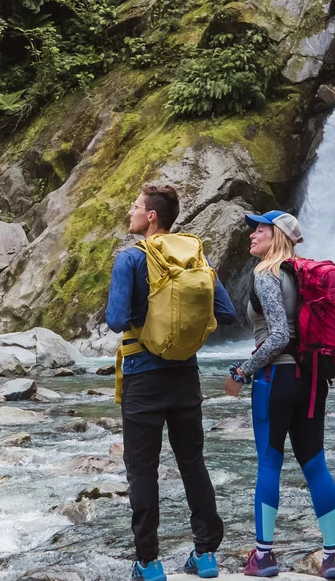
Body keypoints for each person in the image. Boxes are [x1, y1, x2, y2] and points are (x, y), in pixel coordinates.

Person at [106, 183, 238, 581]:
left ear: (151, 217)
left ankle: (148, 562)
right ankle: (207, 555)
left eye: (135, 207)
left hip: (142, 377)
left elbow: (114, 320)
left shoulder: (130, 258)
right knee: (192, 463)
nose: (130, 212)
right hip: (185, 376)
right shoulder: (194, 257)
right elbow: (227, 314)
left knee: (142, 470)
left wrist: (140, 316)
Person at [223, 210, 335, 579]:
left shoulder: (266, 275)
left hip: (276, 379)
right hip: (310, 381)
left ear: (276, 236)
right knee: (315, 464)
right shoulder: (303, 275)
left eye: (259, 229)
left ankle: (263, 557)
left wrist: (243, 371)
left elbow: (278, 336)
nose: (252, 235)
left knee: (269, 464)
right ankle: (332, 557)